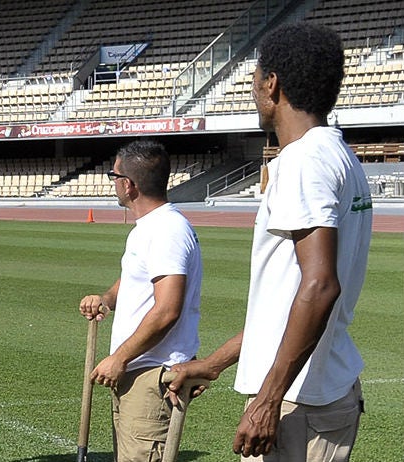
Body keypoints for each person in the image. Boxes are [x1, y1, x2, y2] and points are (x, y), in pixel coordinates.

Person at [168, 22, 372, 462]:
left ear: (271, 84)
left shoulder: (302, 161)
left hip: (298, 403)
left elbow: (320, 287)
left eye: (254, 80)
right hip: (323, 391)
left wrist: (267, 400)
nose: (253, 91)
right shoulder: (340, 156)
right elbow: (286, 301)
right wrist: (216, 363)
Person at [77, 140, 203, 462]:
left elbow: (167, 310)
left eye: (113, 175)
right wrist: (105, 299)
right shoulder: (147, 228)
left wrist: (119, 358)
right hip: (136, 372)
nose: (112, 182)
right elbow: (136, 281)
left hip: (151, 373)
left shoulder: (167, 230)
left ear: (128, 185)